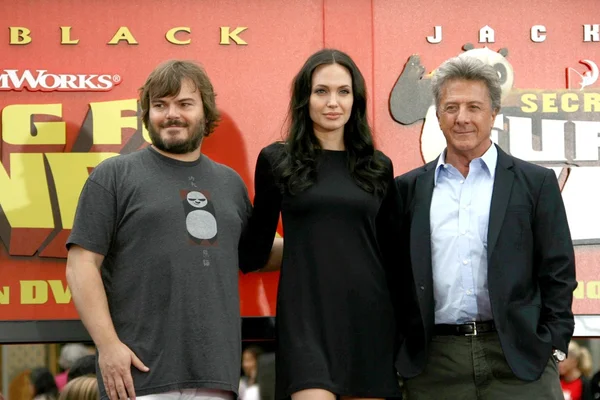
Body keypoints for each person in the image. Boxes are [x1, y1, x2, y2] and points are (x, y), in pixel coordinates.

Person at [66, 60, 282, 400]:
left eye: (184, 104)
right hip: (138, 378)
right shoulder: (113, 176)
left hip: (217, 377)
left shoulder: (230, 183)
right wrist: (108, 347)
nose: (171, 114)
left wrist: (325, 235)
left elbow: (259, 252)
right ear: (147, 113)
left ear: (205, 113)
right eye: (160, 105)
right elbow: (81, 265)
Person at [394, 55, 577, 399]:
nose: (462, 118)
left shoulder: (535, 183)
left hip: (520, 361)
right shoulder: (407, 189)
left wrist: (554, 342)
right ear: (437, 114)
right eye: (451, 107)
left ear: (494, 113)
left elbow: (558, 270)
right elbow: (394, 276)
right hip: (435, 365)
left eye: (474, 107)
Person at [241, 48, 404, 400]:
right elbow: (253, 252)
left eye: (343, 92)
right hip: (305, 319)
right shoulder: (277, 160)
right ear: (305, 98)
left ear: (356, 99)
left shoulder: (378, 166)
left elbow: (393, 255)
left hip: (370, 317)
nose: (333, 102)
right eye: (321, 91)